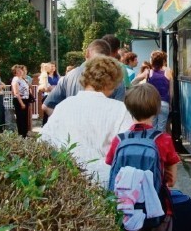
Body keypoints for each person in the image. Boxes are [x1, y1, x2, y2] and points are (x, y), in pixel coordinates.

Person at [105, 83, 181, 231]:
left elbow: (111, 167)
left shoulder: (119, 139)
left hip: (127, 209)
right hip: (158, 209)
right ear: (156, 109)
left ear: (129, 108)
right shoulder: (163, 140)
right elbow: (171, 180)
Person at [40, 55, 133, 187]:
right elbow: (127, 149)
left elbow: (44, 140)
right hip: (103, 181)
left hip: (66, 180)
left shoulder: (64, 106)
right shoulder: (120, 110)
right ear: (112, 82)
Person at [42, 39, 125, 117]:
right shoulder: (116, 79)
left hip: (71, 130)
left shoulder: (69, 76)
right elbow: (119, 113)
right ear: (109, 56)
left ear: (87, 53)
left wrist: (65, 121)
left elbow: (46, 106)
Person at [147, 50, 172, 132]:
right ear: (163, 60)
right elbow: (171, 91)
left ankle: (152, 144)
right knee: (161, 129)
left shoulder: (149, 73)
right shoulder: (168, 72)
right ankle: (160, 144)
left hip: (152, 104)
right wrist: (170, 103)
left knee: (152, 128)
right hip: (164, 103)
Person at [11, 64, 30, 138]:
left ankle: (25, 134)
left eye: (20, 70)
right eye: (18, 71)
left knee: (25, 118)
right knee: (20, 118)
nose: (20, 72)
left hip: (25, 100)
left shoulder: (23, 79)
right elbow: (16, 93)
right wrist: (21, 103)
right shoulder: (15, 79)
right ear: (15, 72)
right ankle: (21, 135)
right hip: (19, 100)